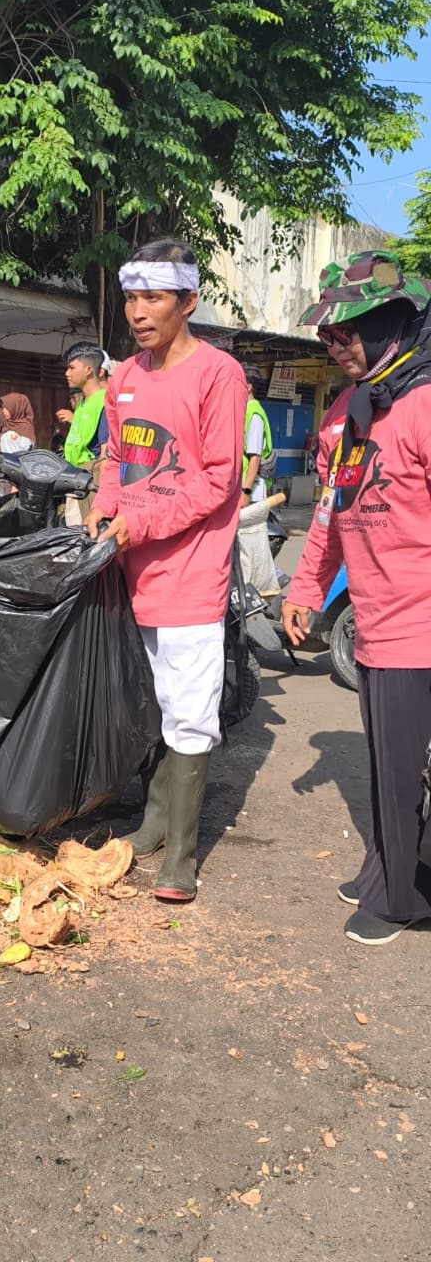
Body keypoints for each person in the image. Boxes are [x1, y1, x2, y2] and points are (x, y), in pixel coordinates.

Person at [85, 237, 247, 902]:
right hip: (131, 569)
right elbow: (115, 458)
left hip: (189, 572)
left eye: (152, 297)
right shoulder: (123, 376)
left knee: (189, 710)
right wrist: (103, 508)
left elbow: (217, 480)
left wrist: (141, 523)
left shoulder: (218, 375)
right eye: (131, 297)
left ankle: (181, 853)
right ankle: (153, 822)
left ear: (188, 302)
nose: (137, 311)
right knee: (150, 701)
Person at [282, 248, 431, 946]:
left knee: (403, 771)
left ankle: (399, 898)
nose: (335, 345)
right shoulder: (344, 414)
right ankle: (389, 870)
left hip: (419, 619)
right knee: (387, 767)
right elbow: (329, 514)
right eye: (327, 335)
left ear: (392, 324)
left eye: (347, 332)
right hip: (371, 618)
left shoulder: (424, 405)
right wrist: (305, 588)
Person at [57, 343, 108, 523]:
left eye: (72, 368)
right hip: (75, 480)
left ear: (88, 370)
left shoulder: (105, 401)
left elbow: (106, 452)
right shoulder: (82, 404)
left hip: (90, 484)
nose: (67, 373)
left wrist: (102, 498)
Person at [241, 366, 273, 504]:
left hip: (250, 493)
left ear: (248, 387)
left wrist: (246, 492)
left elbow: (255, 457)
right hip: (240, 487)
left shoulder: (254, 414)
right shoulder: (244, 411)